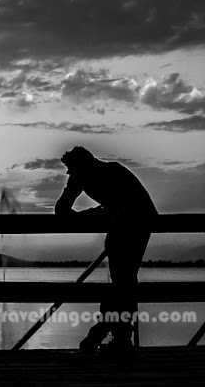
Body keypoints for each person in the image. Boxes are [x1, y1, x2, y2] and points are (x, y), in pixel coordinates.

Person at [55, 146, 158, 354]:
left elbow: (128, 208)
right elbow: (62, 210)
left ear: (83, 165)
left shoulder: (112, 172)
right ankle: (118, 338)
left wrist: (93, 214)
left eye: (70, 168)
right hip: (122, 226)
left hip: (136, 225)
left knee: (123, 283)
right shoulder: (86, 175)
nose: (68, 173)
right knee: (124, 283)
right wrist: (93, 211)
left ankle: (105, 334)